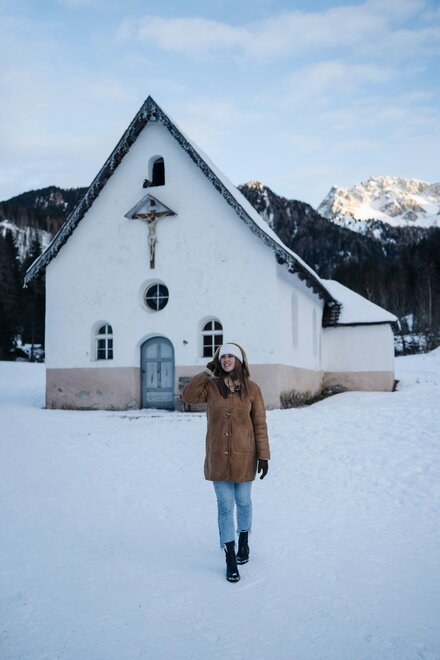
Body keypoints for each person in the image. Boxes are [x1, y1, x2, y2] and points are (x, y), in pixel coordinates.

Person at [182, 342, 270, 583]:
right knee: (224, 506)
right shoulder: (211, 387)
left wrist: (263, 455)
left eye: (231, 356)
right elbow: (188, 396)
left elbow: (260, 424)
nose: (226, 359)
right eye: (223, 356)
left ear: (239, 360)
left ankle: (244, 540)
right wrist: (207, 371)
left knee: (243, 501)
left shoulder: (252, 389)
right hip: (218, 457)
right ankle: (230, 556)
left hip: (245, 456)